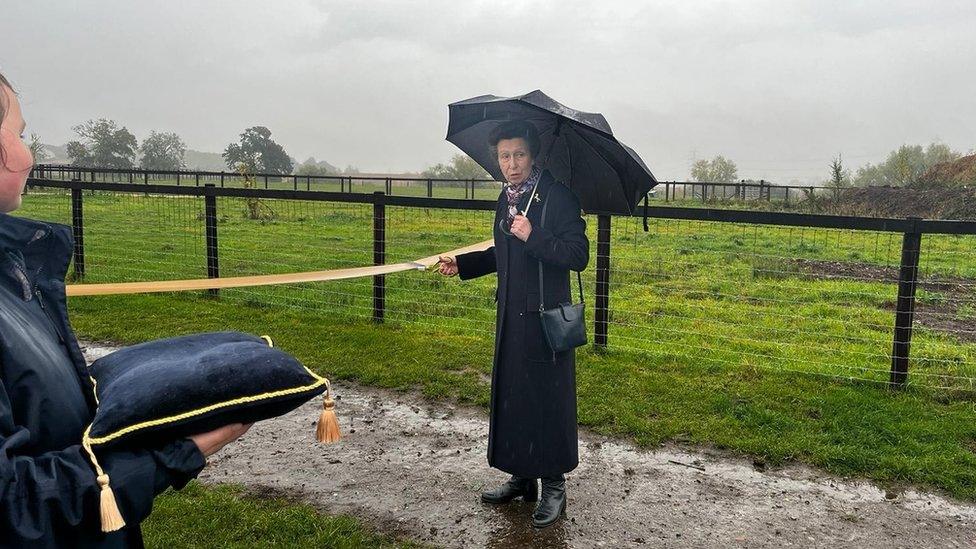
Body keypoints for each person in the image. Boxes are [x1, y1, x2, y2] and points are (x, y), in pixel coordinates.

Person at [0, 72, 251, 547]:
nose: (28, 153)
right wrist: (168, 454)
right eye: (20, 133)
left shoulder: (16, 275)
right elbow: (13, 507)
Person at [437, 120, 589, 528]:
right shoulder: (507, 200)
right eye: (504, 156)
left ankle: (554, 484)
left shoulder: (558, 197)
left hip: (545, 321)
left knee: (547, 400)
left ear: (533, 154)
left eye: (519, 154)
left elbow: (578, 255)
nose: (512, 163)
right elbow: (502, 254)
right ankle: (523, 477)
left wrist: (534, 235)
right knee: (516, 397)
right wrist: (464, 264)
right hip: (511, 317)